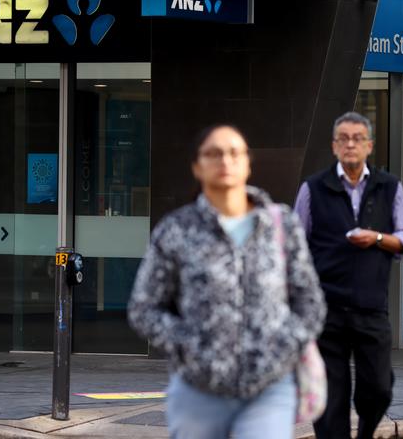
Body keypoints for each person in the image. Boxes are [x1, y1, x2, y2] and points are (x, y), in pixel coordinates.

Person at [128, 124, 326, 439]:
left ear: (248, 163)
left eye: (235, 152)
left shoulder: (281, 225)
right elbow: (144, 307)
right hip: (198, 391)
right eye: (213, 153)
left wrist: (283, 345)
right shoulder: (176, 230)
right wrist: (188, 344)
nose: (225, 160)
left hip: (269, 387)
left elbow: (310, 301)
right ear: (197, 166)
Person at [294, 112, 403, 439]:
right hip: (326, 311)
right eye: (344, 138)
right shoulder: (313, 188)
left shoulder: (389, 187)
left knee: (378, 388)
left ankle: (364, 433)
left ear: (369, 145)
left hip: (371, 308)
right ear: (335, 146)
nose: (351, 144)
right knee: (329, 400)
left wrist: (376, 238)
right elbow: (294, 246)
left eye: (358, 138)